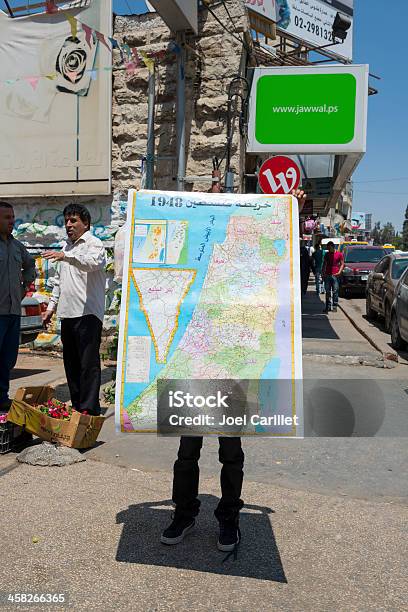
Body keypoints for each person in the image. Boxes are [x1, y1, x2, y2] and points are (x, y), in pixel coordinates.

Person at [161, 189, 307, 554]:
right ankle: (184, 512)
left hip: (234, 361)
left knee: (230, 451)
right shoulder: (207, 245)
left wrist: (291, 214)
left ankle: (228, 518)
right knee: (187, 450)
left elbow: (288, 263)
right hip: (197, 360)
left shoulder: (255, 256)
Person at [42, 204, 106, 416]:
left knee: (88, 364)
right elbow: (59, 282)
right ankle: (78, 406)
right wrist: (51, 308)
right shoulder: (66, 248)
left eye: (74, 220)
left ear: (85, 223)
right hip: (68, 313)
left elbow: (91, 264)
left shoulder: (94, 244)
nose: (68, 225)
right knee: (71, 364)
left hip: (87, 313)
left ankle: (89, 408)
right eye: (66, 220)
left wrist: (66, 257)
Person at [0, 203, 36, 412]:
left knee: (8, 359)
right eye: (6, 217)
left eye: (12, 217)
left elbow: (30, 264)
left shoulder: (17, 246)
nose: (11, 221)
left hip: (13, 312)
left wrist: (24, 288)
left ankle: (2, 397)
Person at [322, 241, 344, 313]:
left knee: (335, 291)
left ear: (332, 247)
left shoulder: (339, 254)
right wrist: (323, 273)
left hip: (335, 275)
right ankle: (327, 306)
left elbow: (342, 264)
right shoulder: (327, 254)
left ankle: (335, 306)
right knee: (327, 291)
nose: (328, 249)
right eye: (327, 248)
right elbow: (324, 264)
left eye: (329, 248)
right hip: (327, 275)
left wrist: (339, 272)